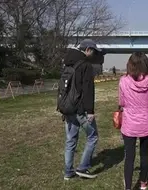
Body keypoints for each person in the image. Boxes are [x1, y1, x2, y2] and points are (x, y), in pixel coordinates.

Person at [118, 52, 148, 190]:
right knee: (144, 153)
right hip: (146, 122)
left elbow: (122, 102)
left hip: (129, 123)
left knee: (129, 157)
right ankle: (143, 183)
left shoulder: (123, 81)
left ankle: (128, 187)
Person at [62, 39, 101, 180]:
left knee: (70, 140)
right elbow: (88, 89)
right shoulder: (86, 66)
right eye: (94, 51)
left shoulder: (67, 64)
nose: (94, 54)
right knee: (93, 136)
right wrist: (90, 111)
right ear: (88, 49)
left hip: (68, 108)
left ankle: (68, 171)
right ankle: (83, 167)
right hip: (81, 110)